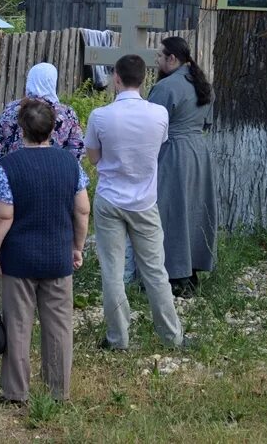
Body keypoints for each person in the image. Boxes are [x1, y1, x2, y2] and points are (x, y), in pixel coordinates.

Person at [0, 99, 90, 404]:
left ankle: (16, 391)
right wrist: (77, 247)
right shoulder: (70, 164)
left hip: (19, 259)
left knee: (18, 323)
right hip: (58, 256)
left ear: (22, 129)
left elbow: (3, 216)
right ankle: (58, 390)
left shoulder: (9, 166)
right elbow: (82, 210)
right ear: (52, 128)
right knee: (58, 324)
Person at [84, 55, 185, 351]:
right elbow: (159, 146)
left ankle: (118, 338)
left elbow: (93, 157)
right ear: (144, 79)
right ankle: (171, 336)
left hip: (110, 197)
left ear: (116, 77)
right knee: (155, 270)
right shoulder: (158, 114)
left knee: (112, 272)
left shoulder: (100, 116)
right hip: (144, 200)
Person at [150, 37, 218, 298]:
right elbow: (206, 123)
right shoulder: (202, 84)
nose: (156, 61)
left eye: (159, 56)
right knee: (194, 209)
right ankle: (191, 270)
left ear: (172, 59)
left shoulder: (167, 87)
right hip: (199, 152)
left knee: (172, 211)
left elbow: (152, 124)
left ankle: (174, 274)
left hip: (174, 152)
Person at [0, 63, 85, 167]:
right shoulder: (67, 113)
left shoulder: (13, 108)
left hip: (17, 172)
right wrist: (66, 172)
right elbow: (77, 147)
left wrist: (3, 170)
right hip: (55, 174)